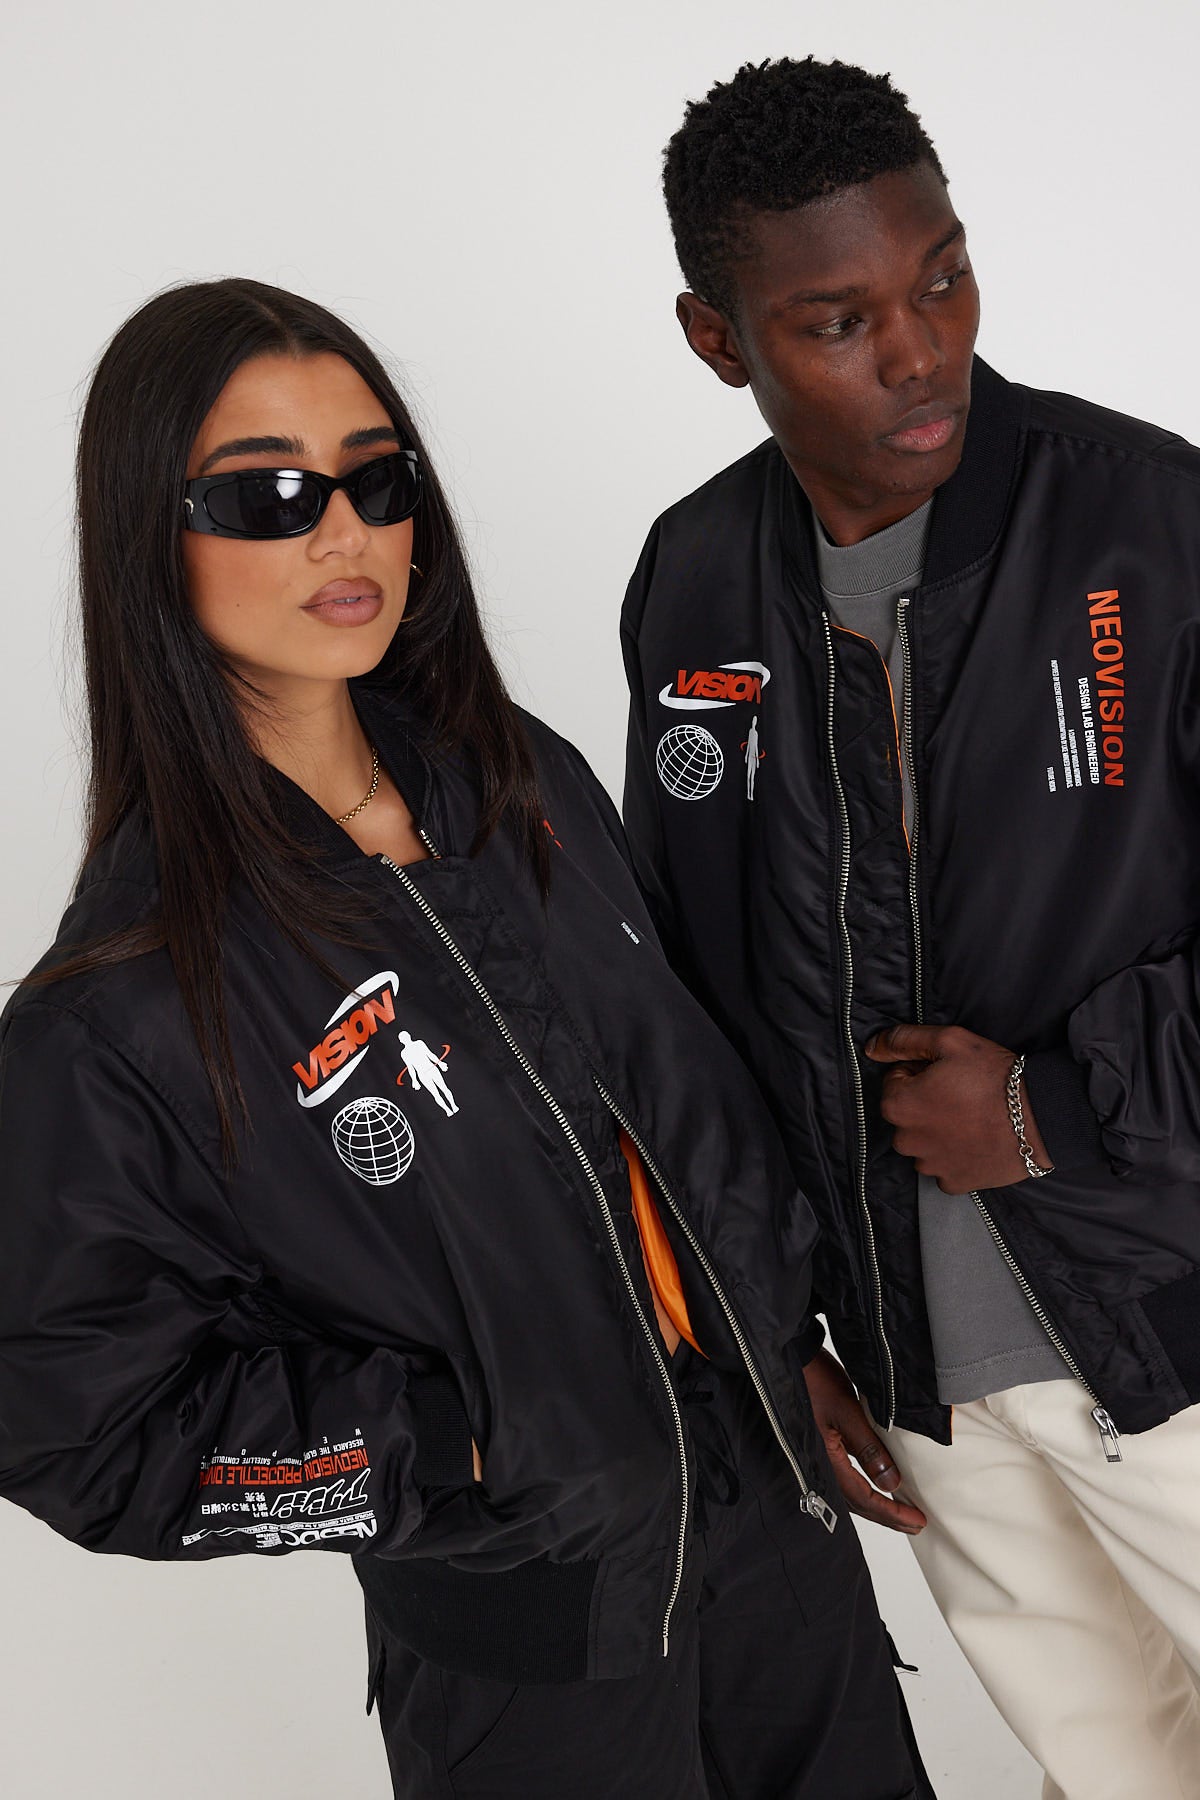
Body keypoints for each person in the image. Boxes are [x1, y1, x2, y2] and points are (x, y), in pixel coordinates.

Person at [0, 278, 932, 1800]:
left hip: (781, 1544)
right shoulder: (130, 998)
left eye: (377, 481)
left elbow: (678, 1098)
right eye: (270, 496)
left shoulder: (521, 786)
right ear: (147, 540)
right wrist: (447, 1444)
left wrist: (778, 1346)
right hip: (534, 1650)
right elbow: (70, 1425)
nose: (345, 534)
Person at [621, 55, 1200, 1800]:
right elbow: (690, 996)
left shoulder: (1151, 526)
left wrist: (1052, 1105)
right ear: (719, 341)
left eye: (942, 278)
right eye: (840, 321)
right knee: (1119, 1774)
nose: (922, 349)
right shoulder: (694, 581)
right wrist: (772, 1329)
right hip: (923, 1388)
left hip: (1171, 1319)